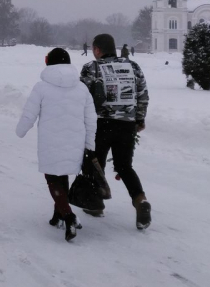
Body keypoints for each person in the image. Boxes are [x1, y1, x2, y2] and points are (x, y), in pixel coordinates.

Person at [16, 48, 97, 242]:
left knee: (53, 178)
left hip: (50, 141)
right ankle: (58, 215)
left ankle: (68, 216)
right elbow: (91, 119)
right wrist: (89, 144)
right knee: (63, 175)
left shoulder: (41, 87)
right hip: (75, 140)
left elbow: (30, 113)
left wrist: (21, 130)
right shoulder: (81, 88)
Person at [80, 33, 152, 230]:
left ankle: (95, 205)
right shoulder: (133, 66)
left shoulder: (91, 68)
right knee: (124, 166)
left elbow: (82, 97)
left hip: (100, 124)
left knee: (96, 163)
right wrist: (139, 118)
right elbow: (142, 94)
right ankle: (140, 200)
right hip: (126, 125)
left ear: (96, 49)